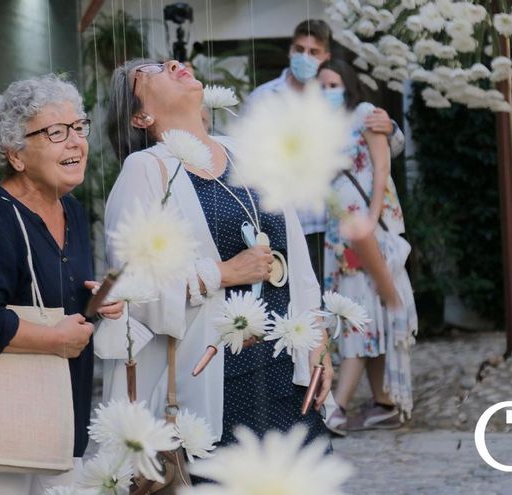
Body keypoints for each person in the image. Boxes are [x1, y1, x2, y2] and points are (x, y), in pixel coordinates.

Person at [99, 58, 332, 448]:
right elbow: (133, 288)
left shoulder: (245, 152)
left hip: (282, 371)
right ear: (141, 117)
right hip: (215, 382)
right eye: (153, 71)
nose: (173, 64)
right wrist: (222, 273)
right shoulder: (145, 170)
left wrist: (317, 342)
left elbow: (297, 263)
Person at [0, 74, 124, 495]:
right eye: (55, 132)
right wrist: (55, 339)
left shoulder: (69, 209)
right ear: (16, 155)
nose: (74, 142)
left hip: (55, 415)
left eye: (78, 127)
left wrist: (94, 303)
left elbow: (49, 298)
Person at [249, 19, 404, 289]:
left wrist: (390, 129)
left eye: (314, 52)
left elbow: (379, 152)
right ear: (289, 50)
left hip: (335, 224)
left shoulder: (336, 97)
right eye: (299, 49)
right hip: (287, 222)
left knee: (340, 307)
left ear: (326, 57)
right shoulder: (263, 98)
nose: (304, 57)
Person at [317, 58, 417, 436]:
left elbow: (381, 168)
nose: (327, 91)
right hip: (338, 233)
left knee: (355, 315)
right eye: (322, 85)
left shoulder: (363, 114)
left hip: (364, 230)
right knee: (365, 314)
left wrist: (372, 222)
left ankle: (337, 407)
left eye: (333, 83)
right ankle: (384, 403)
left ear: (347, 85)